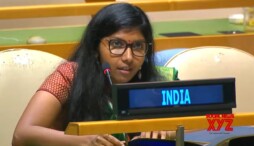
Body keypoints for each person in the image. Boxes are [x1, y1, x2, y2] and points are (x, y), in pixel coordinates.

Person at [12, 3, 170, 146]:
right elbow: (22, 134)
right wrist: (84, 140)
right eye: (116, 44)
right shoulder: (70, 76)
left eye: (137, 46)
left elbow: (192, 123)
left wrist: (168, 130)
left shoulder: (156, 81)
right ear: (95, 47)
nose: (128, 57)